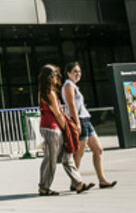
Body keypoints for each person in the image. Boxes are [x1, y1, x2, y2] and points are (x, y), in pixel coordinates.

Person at [35, 64, 88, 197]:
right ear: (48, 77)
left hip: (52, 128)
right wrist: (66, 129)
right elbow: (57, 114)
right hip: (52, 128)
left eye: (57, 75)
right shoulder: (49, 93)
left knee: (67, 156)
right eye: (54, 75)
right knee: (51, 159)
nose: (56, 78)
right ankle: (44, 188)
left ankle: (79, 183)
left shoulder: (44, 91)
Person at [62, 61, 116, 189]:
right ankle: (75, 182)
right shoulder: (68, 85)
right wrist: (77, 122)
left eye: (79, 71)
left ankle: (102, 180)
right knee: (79, 153)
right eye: (75, 71)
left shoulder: (74, 86)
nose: (78, 74)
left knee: (98, 149)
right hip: (79, 120)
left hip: (86, 119)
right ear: (68, 73)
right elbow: (71, 105)